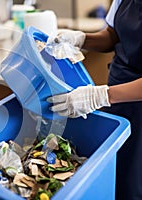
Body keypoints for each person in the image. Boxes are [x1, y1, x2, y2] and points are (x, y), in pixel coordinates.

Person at [47, 0, 142, 199]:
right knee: (112, 168)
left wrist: (100, 96)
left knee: (132, 181)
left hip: (132, 98)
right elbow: (112, 35)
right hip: (117, 93)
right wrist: (81, 39)